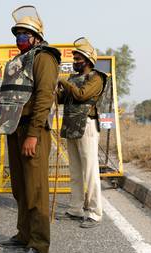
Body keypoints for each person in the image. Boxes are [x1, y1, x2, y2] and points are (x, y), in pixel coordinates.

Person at [0, 5, 61, 253]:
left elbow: (45, 97)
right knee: (20, 188)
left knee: (35, 189)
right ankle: (23, 235)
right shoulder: (15, 62)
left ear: (36, 36)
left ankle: (39, 245)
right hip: (12, 128)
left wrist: (34, 134)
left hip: (30, 128)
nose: (19, 39)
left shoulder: (44, 58)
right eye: (17, 34)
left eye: (24, 34)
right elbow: (7, 96)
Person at [56, 37, 106, 228]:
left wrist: (64, 83)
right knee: (75, 170)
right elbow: (63, 99)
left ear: (88, 60)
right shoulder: (72, 78)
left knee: (90, 171)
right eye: (74, 58)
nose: (75, 62)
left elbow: (81, 95)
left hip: (86, 126)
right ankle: (75, 209)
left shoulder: (97, 78)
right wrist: (57, 91)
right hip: (70, 125)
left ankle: (94, 212)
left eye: (78, 59)